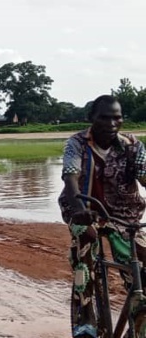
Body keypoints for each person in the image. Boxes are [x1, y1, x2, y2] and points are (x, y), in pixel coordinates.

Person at [63, 95, 146, 338]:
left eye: (117, 118)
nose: (111, 123)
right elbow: (70, 177)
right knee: (86, 245)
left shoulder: (133, 145)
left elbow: (144, 176)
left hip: (125, 217)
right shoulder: (77, 143)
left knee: (141, 262)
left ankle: (137, 325)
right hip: (86, 212)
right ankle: (85, 321)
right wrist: (79, 209)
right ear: (92, 118)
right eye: (105, 118)